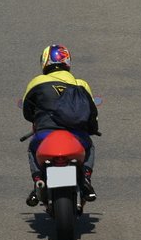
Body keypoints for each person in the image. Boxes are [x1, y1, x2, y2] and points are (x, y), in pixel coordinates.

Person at [22, 44, 99, 206]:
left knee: (32, 149)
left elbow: (27, 112)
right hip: (77, 136)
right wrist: (92, 129)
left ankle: (37, 180)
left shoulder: (37, 82)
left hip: (45, 134)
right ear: (67, 61)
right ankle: (85, 178)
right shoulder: (81, 84)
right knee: (90, 147)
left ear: (45, 61)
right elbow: (92, 113)